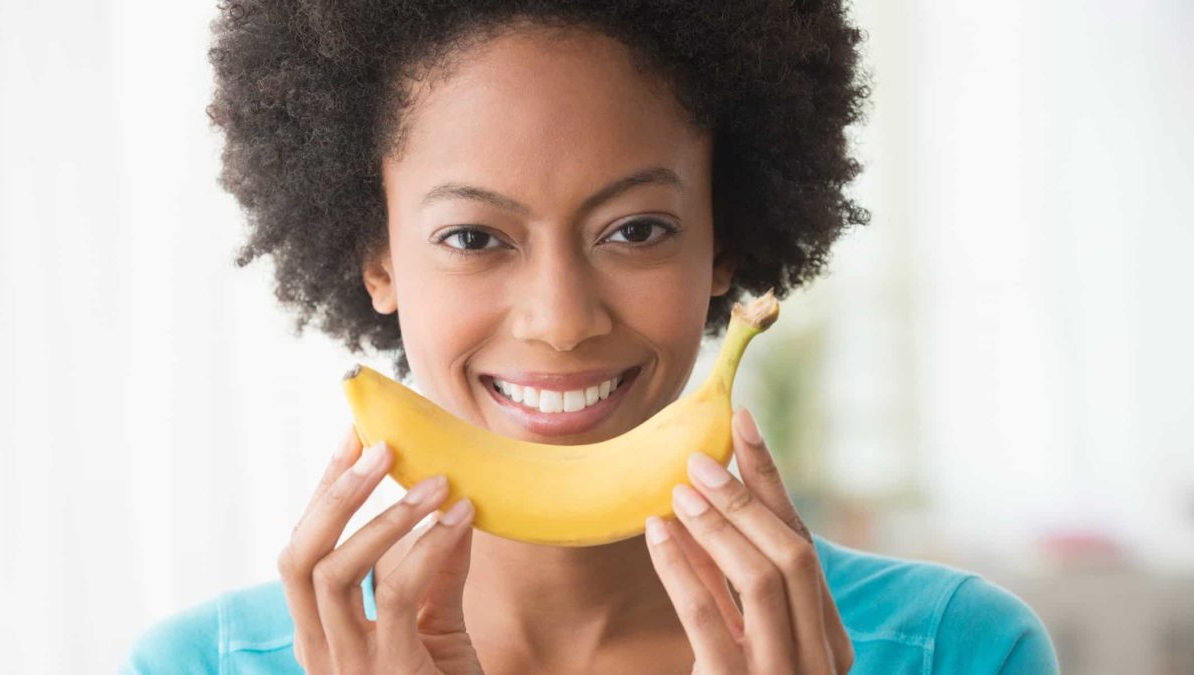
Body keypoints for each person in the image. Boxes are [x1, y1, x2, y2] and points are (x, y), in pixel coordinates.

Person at [120, 1, 1060, 673]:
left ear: (723, 242)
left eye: (637, 229)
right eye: (474, 239)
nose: (562, 320)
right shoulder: (195, 665)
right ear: (380, 259)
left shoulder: (958, 649)